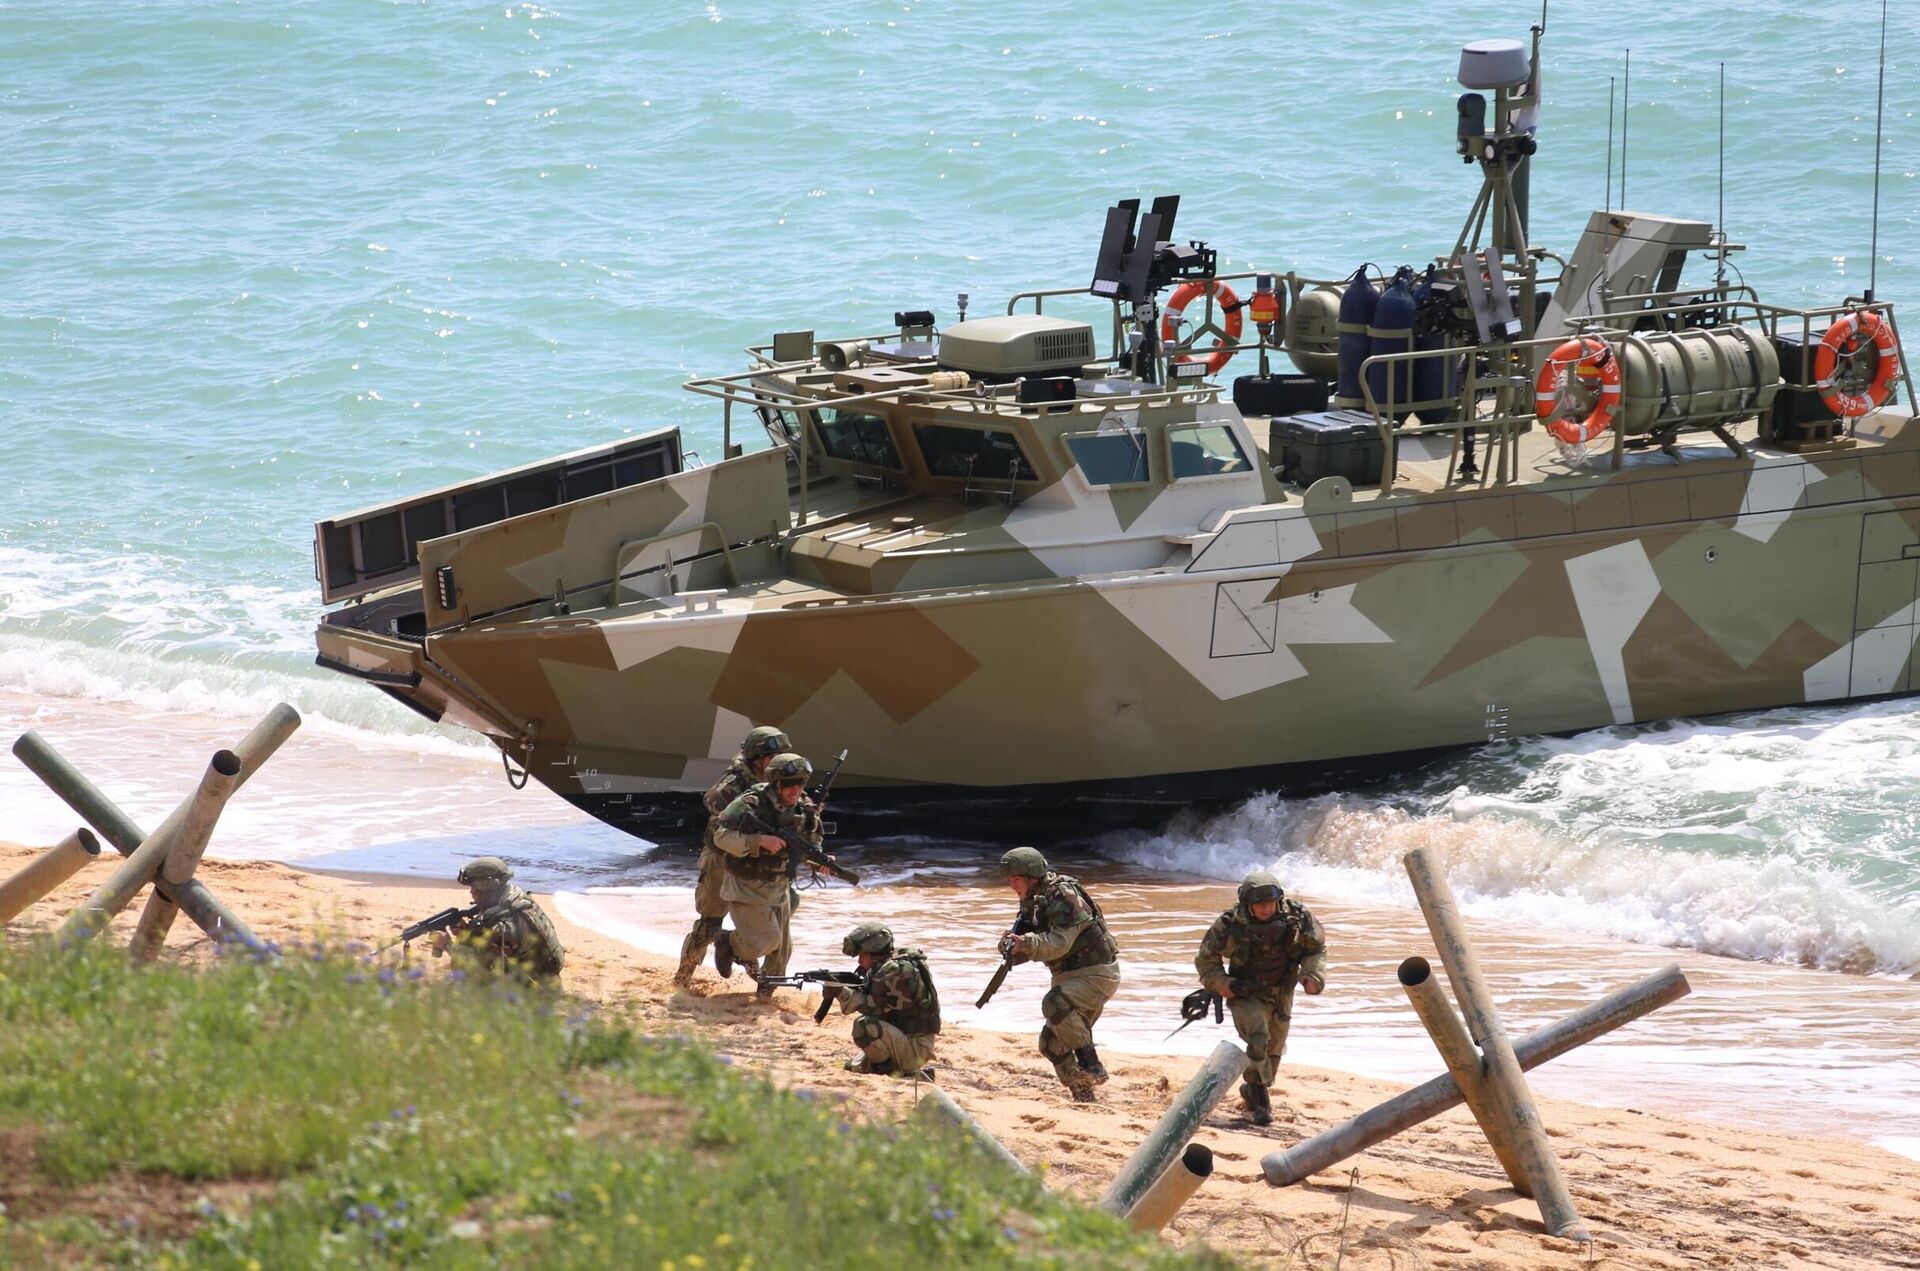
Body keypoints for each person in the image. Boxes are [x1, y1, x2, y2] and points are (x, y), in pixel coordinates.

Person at [1193, 869, 1326, 1126]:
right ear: (1247, 905)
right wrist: (1223, 983)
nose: (1266, 909)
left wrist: (1313, 976)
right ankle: (1260, 1099)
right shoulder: (1230, 925)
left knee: (1274, 1049)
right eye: (1259, 905)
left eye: (1270, 903)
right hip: (1246, 993)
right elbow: (1205, 960)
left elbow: (1316, 948)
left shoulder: (1297, 918)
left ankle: (1254, 1089)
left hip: (1281, 991)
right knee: (1257, 1036)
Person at [998, 846, 1121, 1102]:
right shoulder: (1034, 900)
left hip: (1096, 975)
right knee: (1051, 1046)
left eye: (1015, 879)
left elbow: (1058, 943)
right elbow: (1033, 944)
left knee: (1054, 1003)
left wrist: (1026, 943)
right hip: (1068, 976)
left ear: (1030, 876)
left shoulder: (1063, 895)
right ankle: (1083, 1094)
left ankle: (1091, 1064)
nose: (1011, 885)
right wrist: (1012, 947)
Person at [674, 724, 791, 987]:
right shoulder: (733, 784)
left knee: (774, 926)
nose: (780, 763)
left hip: (761, 863)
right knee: (709, 924)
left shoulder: (779, 779)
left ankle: (767, 985)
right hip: (721, 859)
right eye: (774, 757)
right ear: (758, 758)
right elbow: (714, 805)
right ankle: (683, 978)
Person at [710, 752, 823, 998]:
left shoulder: (803, 807)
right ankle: (727, 943)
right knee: (766, 940)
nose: (796, 790)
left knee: (782, 951)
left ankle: (764, 998)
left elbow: (812, 841)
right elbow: (721, 835)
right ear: (776, 782)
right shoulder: (751, 802)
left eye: (800, 784)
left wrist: (820, 861)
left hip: (779, 885)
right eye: (790, 784)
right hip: (746, 884)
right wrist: (758, 841)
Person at [430, 856, 566, 987]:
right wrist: (467, 932)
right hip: (542, 975)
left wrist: (446, 944)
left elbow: (479, 962)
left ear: (487, 887)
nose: (471, 892)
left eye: (474, 888)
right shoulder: (515, 897)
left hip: (534, 990)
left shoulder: (506, 923)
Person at [829, 922, 940, 1079]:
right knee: (850, 1066)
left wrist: (841, 992)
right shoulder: (887, 964)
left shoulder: (895, 972)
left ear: (874, 952)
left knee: (863, 1026)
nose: (859, 961)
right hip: (906, 1038)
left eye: (862, 955)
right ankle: (888, 1067)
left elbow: (873, 1008)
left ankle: (893, 1072)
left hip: (915, 1048)